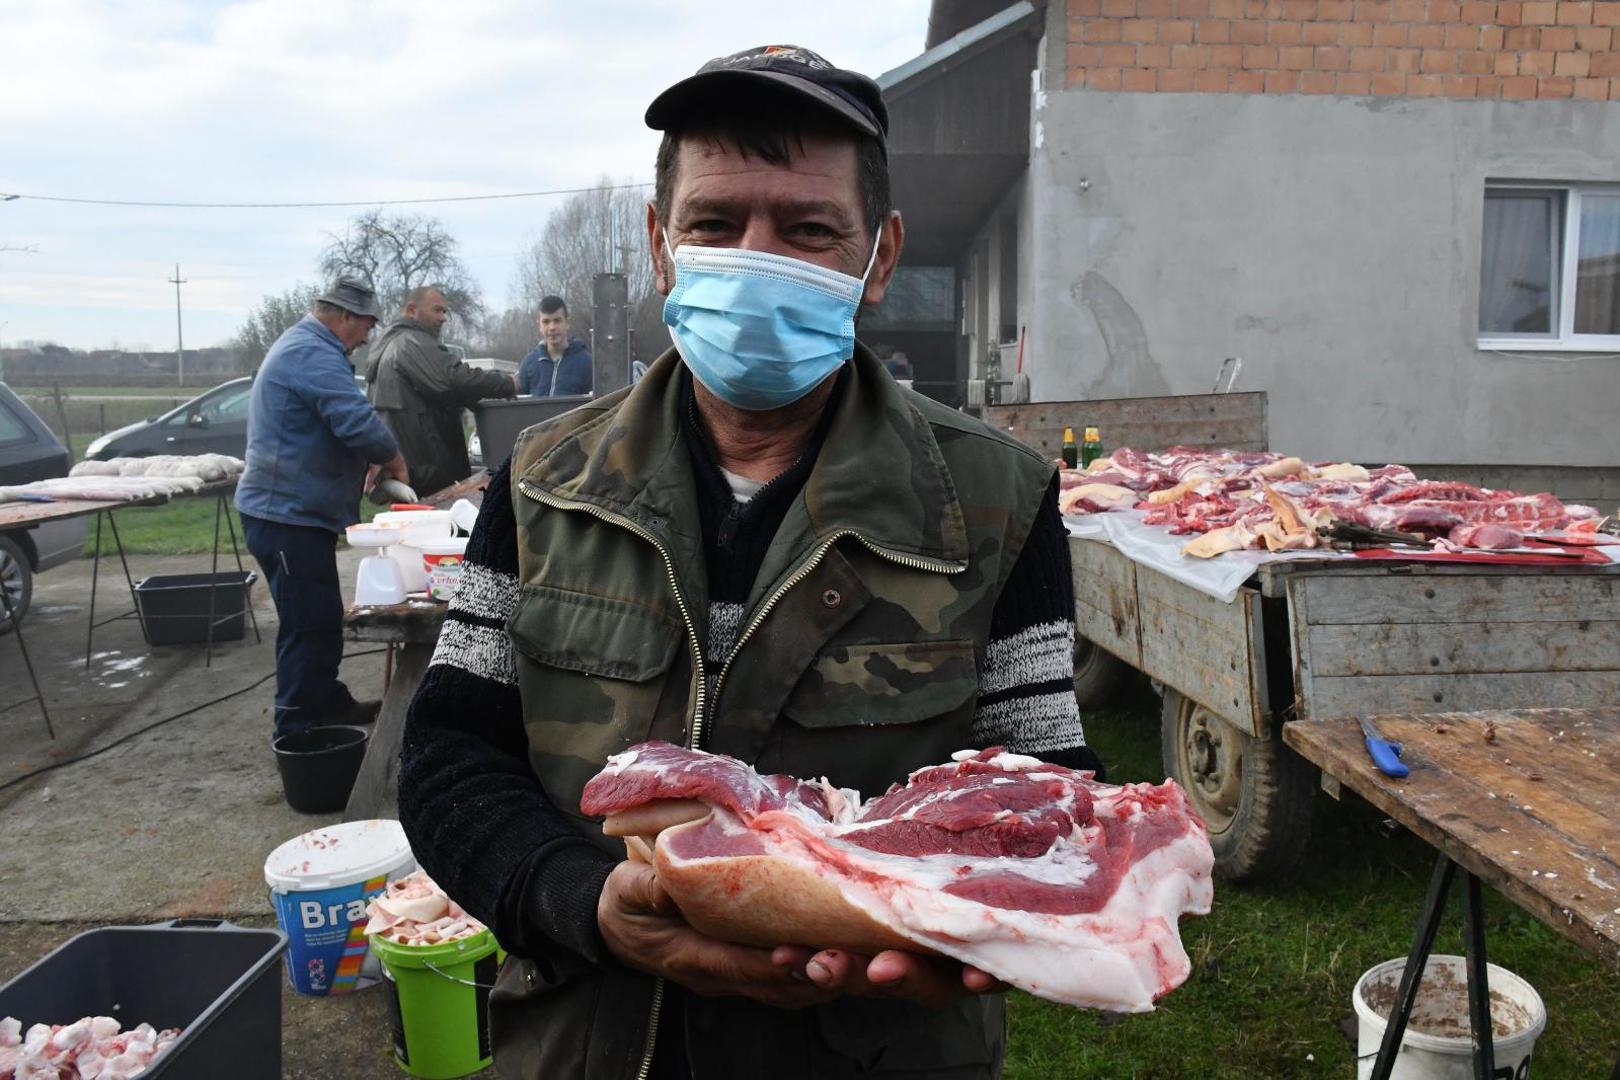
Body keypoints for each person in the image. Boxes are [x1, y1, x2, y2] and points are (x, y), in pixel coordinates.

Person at [398, 45, 1102, 1080]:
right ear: (659, 242)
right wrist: (581, 901)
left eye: (809, 230)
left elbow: (1047, 791)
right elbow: (451, 755)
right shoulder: (541, 479)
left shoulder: (997, 502)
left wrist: (979, 933)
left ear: (882, 255)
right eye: (717, 225)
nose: (758, 258)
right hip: (591, 1044)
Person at [236, 278, 408, 739]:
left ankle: (325, 701)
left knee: (321, 616)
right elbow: (354, 420)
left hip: (293, 514)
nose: (368, 336)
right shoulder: (310, 353)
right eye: (366, 325)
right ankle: (297, 727)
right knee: (306, 625)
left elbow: (332, 425)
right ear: (344, 317)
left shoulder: (308, 348)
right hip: (283, 516)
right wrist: (391, 456)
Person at [367, 285, 516, 496]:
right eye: (437, 310)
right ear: (412, 310)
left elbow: (441, 390)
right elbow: (455, 379)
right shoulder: (410, 343)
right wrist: (509, 384)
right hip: (426, 470)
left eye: (445, 311)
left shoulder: (390, 344)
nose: (443, 317)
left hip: (408, 467)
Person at [515, 295, 592, 396]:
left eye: (557, 321)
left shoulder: (586, 362)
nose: (552, 327)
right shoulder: (528, 363)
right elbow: (518, 407)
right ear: (539, 325)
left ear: (567, 323)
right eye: (546, 322)